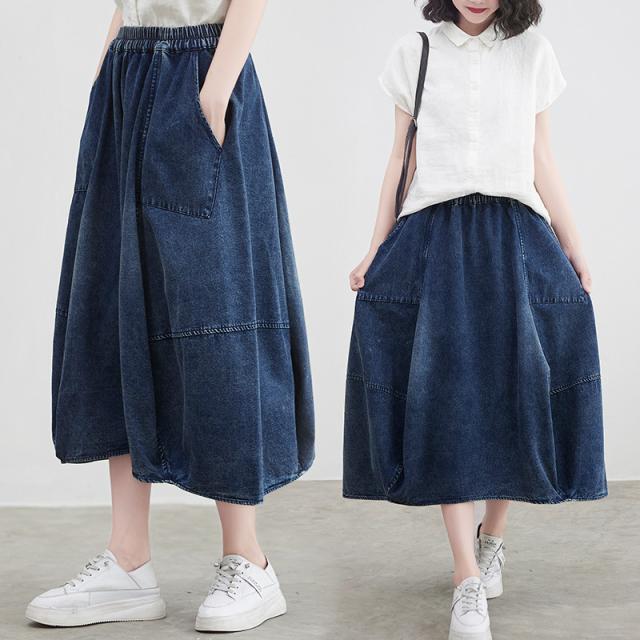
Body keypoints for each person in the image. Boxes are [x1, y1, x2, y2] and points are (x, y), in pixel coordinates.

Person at [26, 0, 314, 632]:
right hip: (127, 77)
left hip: (202, 65)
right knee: (118, 310)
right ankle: (128, 562)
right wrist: (106, 72)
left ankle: (250, 561)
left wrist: (213, 93)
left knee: (219, 319)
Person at [343, 1, 606, 638]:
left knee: (514, 393)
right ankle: (466, 577)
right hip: (434, 238)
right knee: (445, 402)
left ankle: (493, 538)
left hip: (516, 238)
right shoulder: (415, 51)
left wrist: (574, 246)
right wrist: (376, 247)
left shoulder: (533, 52)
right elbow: (400, 160)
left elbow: (541, 157)